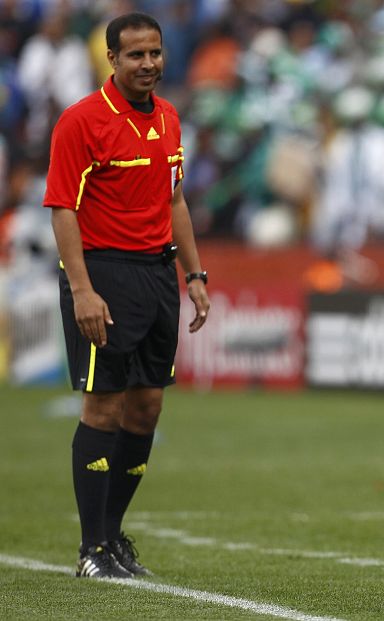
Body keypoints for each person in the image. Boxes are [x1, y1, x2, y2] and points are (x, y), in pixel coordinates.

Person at [43, 12, 210, 579]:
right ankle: (90, 549)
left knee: (147, 408)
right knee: (104, 407)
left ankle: (112, 540)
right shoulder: (81, 121)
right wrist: (82, 288)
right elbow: (62, 207)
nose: (148, 64)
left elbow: (176, 201)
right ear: (111, 59)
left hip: (158, 276)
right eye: (136, 55)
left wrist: (195, 275)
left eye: (156, 53)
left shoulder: (167, 117)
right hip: (104, 276)